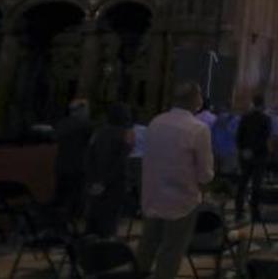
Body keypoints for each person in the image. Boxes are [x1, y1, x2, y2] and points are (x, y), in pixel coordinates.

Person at [137, 82, 213, 279]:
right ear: (195, 100)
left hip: (153, 195)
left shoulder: (155, 122)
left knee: (147, 244)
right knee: (172, 250)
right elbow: (204, 173)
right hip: (182, 200)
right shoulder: (198, 129)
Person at [85, 103, 134, 237]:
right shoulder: (126, 134)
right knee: (109, 220)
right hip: (115, 183)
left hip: (95, 181)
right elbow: (121, 162)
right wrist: (105, 182)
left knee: (94, 219)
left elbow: (89, 157)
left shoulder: (98, 132)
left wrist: (93, 181)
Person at [54, 98, 94, 223]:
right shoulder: (86, 125)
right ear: (82, 110)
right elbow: (93, 144)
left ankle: (60, 223)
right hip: (78, 166)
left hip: (61, 165)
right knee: (77, 199)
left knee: (62, 197)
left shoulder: (61, 124)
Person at [236, 93, 272, 221]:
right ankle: (255, 212)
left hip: (246, 155)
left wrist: (243, 150)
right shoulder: (266, 119)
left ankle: (238, 212)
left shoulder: (245, 117)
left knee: (242, 184)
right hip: (260, 156)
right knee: (256, 185)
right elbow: (265, 138)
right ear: (262, 104)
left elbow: (239, 136)